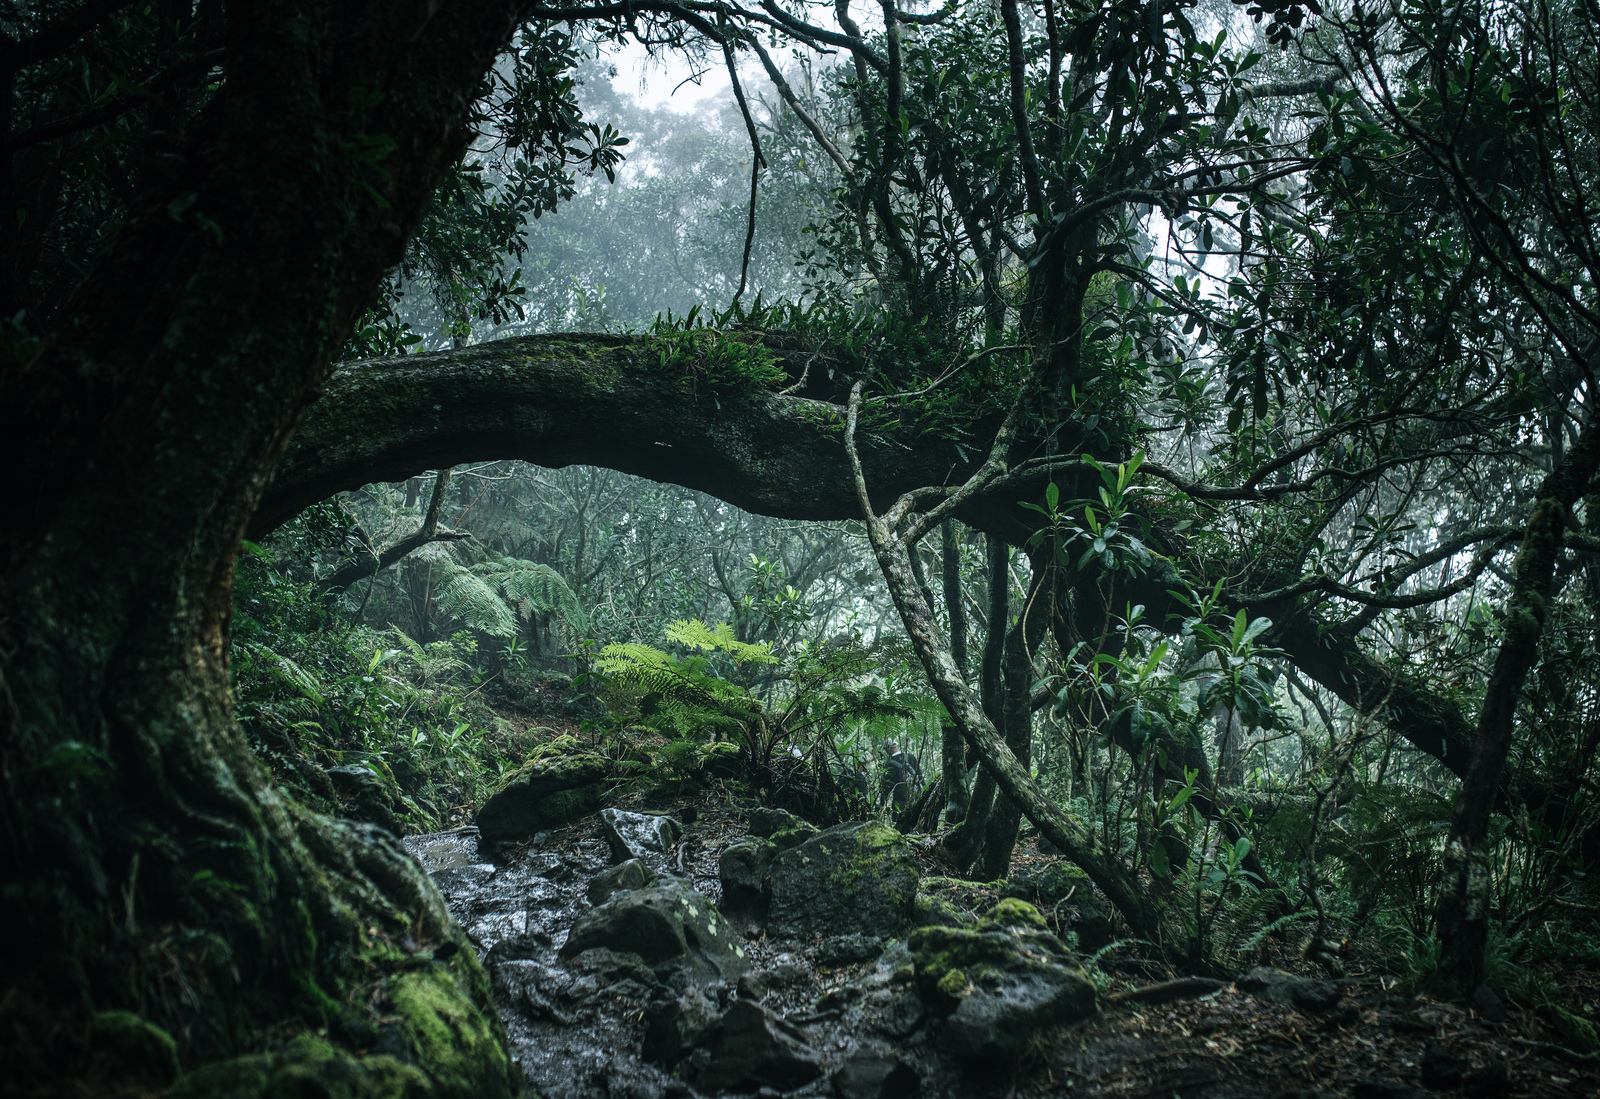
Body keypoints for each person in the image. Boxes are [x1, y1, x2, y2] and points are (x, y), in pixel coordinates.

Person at [881, 740, 919, 812]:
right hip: (915, 797)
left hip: (899, 799)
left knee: (899, 820)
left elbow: (887, 786)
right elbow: (919, 776)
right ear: (896, 745)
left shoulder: (889, 764)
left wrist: (882, 804)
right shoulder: (910, 756)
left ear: (887, 748)